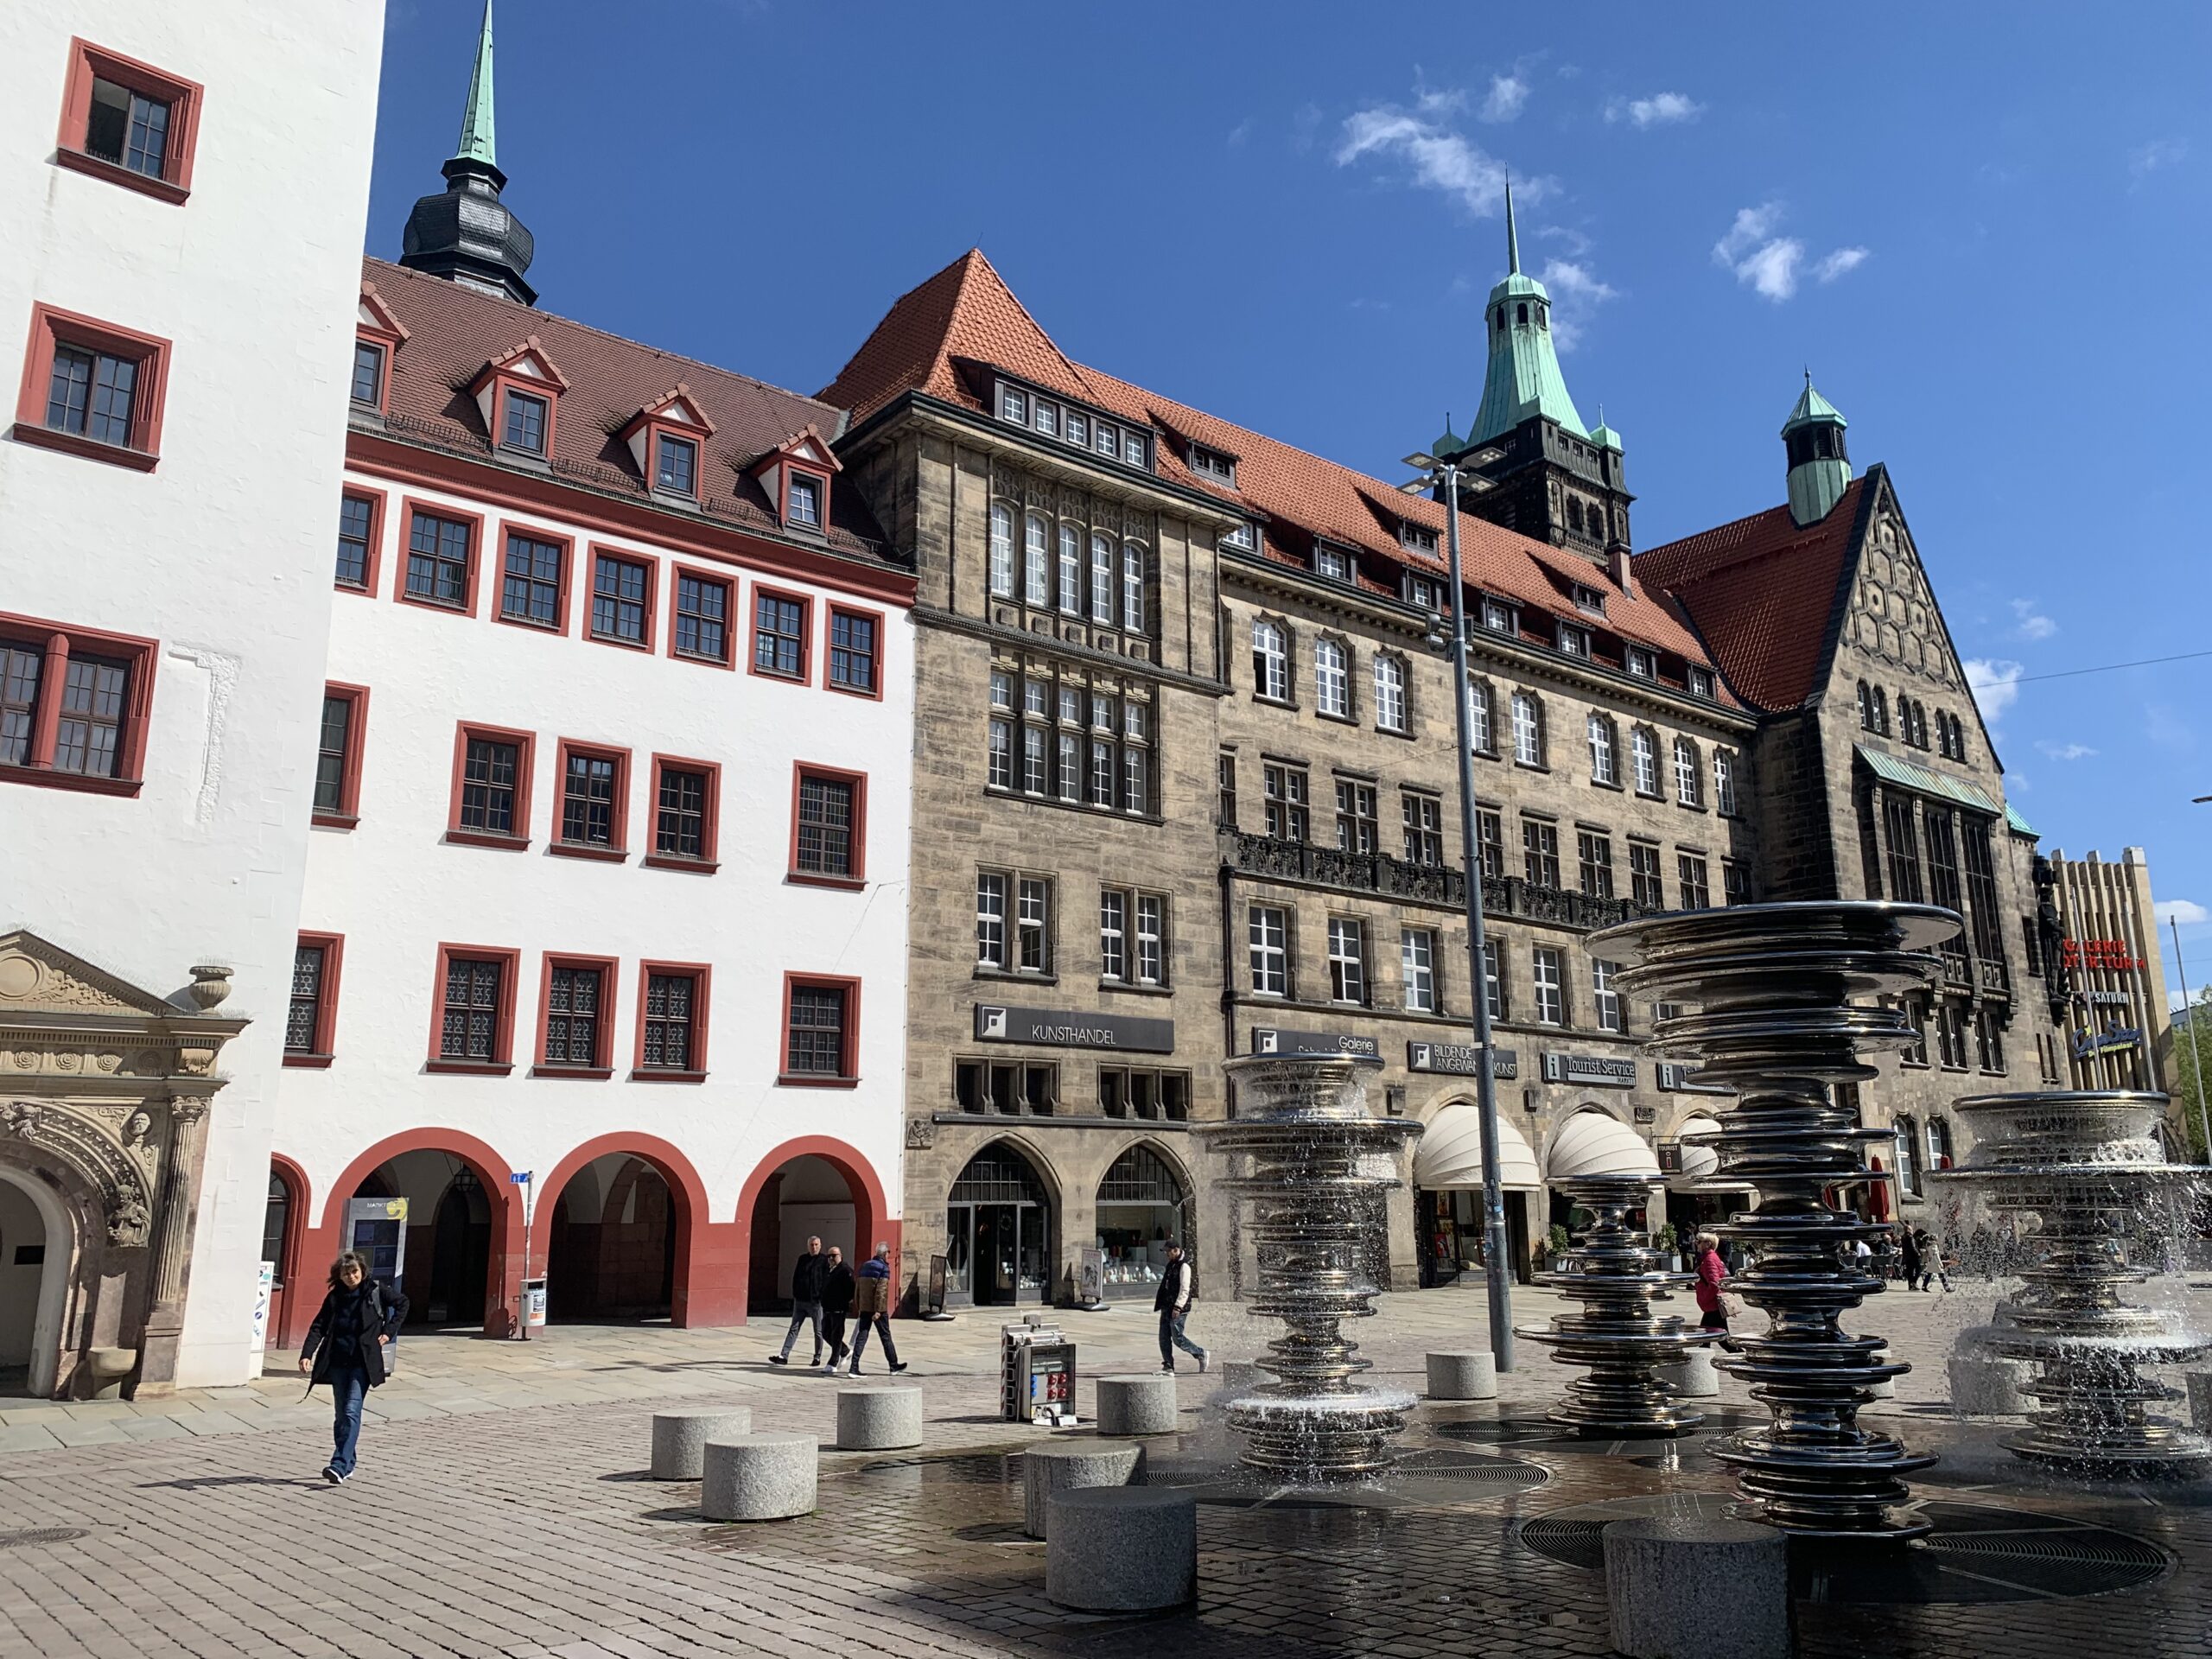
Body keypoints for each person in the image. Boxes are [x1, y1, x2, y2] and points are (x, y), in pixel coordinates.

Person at [296, 1252, 405, 1484]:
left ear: (362, 1271)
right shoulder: (335, 1297)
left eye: (354, 1271)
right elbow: (319, 1325)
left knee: (350, 1411)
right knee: (340, 1416)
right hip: (337, 1362)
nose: (351, 1276)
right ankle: (349, 1462)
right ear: (339, 1276)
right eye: (346, 1273)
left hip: (362, 1363)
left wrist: (388, 1331)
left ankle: (339, 1464)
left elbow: (403, 1303)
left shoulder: (376, 1291)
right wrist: (307, 1353)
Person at [845, 1242, 907, 1376]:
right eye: (888, 1253)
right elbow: (881, 1291)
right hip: (878, 1310)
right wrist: (878, 1311)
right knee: (885, 1336)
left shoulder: (865, 1266)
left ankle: (853, 1367)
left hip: (865, 1308)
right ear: (885, 1254)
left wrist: (859, 1306)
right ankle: (893, 1366)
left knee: (861, 1336)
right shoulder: (883, 1268)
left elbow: (858, 1289)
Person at [770, 1235, 829, 1366]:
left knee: (818, 1330)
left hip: (815, 1302)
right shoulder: (802, 1259)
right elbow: (796, 1277)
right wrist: (796, 1293)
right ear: (808, 1246)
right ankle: (783, 1356)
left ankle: (817, 1357)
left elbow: (825, 1280)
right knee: (794, 1328)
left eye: (816, 1245)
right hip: (800, 1300)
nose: (814, 1247)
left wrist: (820, 1296)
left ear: (820, 1245)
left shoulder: (824, 1261)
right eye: (812, 1245)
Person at [1154, 1241, 1208, 1374]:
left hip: (1179, 1308)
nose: (1166, 1254)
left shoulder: (1184, 1266)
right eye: (1165, 1251)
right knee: (1163, 1337)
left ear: (1176, 1250)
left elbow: (1185, 1289)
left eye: (1168, 1251)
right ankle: (1168, 1366)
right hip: (1167, 1305)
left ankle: (1200, 1353)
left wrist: (1178, 1307)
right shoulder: (1171, 1265)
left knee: (1177, 1337)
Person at [818, 1245, 855, 1374]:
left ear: (840, 1256)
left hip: (838, 1308)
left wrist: (844, 1301)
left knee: (836, 1335)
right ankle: (844, 1351)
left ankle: (833, 1363)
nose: (831, 1258)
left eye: (834, 1256)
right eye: (829, 1256)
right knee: (825, 1332)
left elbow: (851, 1288)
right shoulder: (829, 1270)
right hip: (828, 1308)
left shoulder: (845, 1270)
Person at [1692, 1231, 1730, 1335]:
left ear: (1708, 1244)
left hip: (1713, 1305)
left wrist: (1705, 1298)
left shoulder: (1709, 1260)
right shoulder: (1708, 1258)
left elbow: (1714, 1283)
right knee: (1709, 1336)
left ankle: (1739, 1351)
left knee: (1718, 1337)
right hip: (1713, 1305)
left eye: (1699, 1241)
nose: (1696, 1244)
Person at [1914, 1227, 1953, 1293]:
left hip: (1931, 1262)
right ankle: (1946, 1287)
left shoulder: (1929, 1245)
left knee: (1929, 1274)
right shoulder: (1933, 1245)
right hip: (1935, 1263)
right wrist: (1940, 1263)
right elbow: (1936, 1255)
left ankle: (1924, 1286)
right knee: (1942, 1274)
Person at [1899, 1226, 1924, 1290]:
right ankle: (1914, 1282)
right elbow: (1913, 1247)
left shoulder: (1903, 1237)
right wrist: (1918, 1253)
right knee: (1919, 1269)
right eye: (1911, 1229)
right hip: (1914, 1256)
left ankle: (1910, 1285)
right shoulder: (1911, 1237)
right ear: (1909, 1230)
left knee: (1910, 1271)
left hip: (1907, 1257)